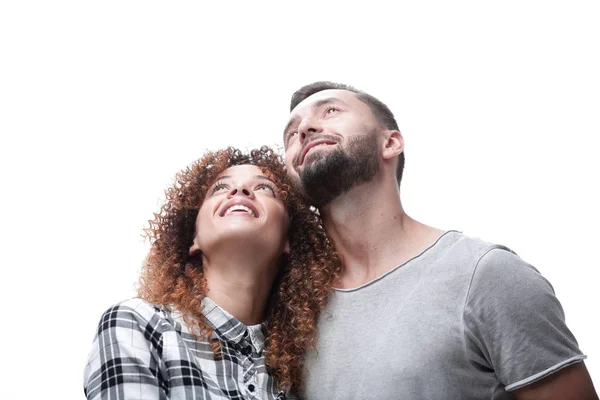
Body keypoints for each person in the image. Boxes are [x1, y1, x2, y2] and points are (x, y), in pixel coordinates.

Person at [282, 82, 598, 399]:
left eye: (331, 110)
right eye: (291, 135)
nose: (305, 129)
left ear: (390, 143)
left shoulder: (487, 276)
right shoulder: (291, 310)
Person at [83, 147, 341, 399]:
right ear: (193, 238)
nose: (239, 190)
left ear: (289, 240)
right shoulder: (138, 324)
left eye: (265, 188)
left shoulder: (301, 373)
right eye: (220, 188)